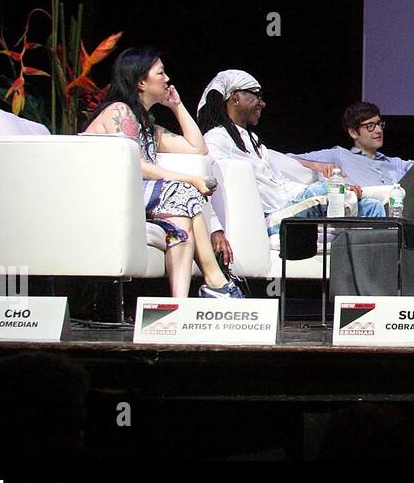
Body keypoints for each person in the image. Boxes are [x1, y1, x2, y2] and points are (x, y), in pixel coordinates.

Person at [83, 48, 243, 298]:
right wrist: (191, 179)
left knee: (180, 219)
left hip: (134, 197)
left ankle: (179, 303)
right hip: (105, 196)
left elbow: (198, 148)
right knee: (185, 190)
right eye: (161, 73)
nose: (168, 79)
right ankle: (215, 280)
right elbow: (134, 165)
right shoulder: (119, 112)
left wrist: (177, 106)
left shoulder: (145, 124)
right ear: (141, 82)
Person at [196, 71, 385, 241]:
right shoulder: (217, 138)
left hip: (289, 208)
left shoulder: (253, 140)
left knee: (373, 207)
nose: (263, 103)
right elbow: (205, 184)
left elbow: (280, 184)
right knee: (324, 192)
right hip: (271, 218)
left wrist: (333, 188)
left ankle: (376, 277)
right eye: (257, 95)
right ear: (236, 97)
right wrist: (215, 229)